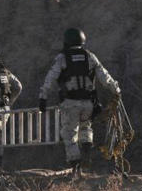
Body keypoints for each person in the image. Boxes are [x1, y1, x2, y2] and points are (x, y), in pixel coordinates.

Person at [38, 28, 120, 178]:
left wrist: (43, 96)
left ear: (67, 41)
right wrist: (116, 91)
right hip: (88, 103)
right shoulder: (90, 56)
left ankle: (76, 168)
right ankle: (86, 147)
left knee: (69, 134)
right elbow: (104, 76)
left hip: (70, 103)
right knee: (85, 126)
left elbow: (51, 77)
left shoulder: (62, 58)